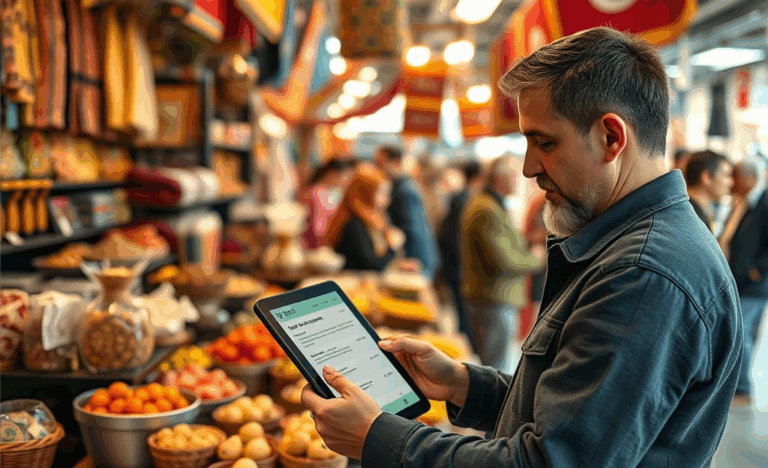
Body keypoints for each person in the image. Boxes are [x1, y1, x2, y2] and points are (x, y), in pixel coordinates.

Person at [300, 27, 742, 468]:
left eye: (544, 143)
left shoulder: (642, 274)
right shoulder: (634, 248)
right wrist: (463, 385)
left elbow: (549, 462)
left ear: (611, 137)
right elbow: (570, 414)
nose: (530, 167)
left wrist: (379, 437)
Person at [460, 155, 545, 369]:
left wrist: (528, 240)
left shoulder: (491, 205)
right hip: (494, 300)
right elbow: (506, 261)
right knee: (496, 369)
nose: (522, 179)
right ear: (500, 178)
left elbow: (504, 246)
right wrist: (537, 259)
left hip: (494, 300)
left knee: (496, 364)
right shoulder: (486, 209)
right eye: (516, 175)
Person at [722, 161, 768, 405]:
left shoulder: (764, 202)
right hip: (740, 280)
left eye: (735, 177)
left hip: (754, 285)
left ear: (748, 179)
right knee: (744, 332)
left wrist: (756, 270)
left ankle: (743, 388)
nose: (731, 183)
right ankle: (739, 386)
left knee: (741, 332)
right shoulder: (742, 203)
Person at [324, 163, 411, 272]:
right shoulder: (354, 224)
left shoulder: (371, 220)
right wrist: (392, 247)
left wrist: (399, 264)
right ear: (365, 194)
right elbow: (372, 266)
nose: (387, 199)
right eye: (381, 193)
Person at [436, 159, 483, 350]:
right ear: (478, 178)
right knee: (464, 316)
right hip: (460, 267)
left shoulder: (463, 198)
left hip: (456, 266)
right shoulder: (465, 201)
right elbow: (455, 238)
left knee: (463, 314)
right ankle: (466, 352)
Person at [374, 145, 439, 281]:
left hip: (416, 261)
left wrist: (408, 260)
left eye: (380, 163)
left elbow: (411, 230)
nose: (377, 168)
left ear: (395, 162)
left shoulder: (403, 190)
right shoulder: (404, 186)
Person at [299, 158, 353, 249]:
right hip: (315, 246)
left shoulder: (325, 192)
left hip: (317, 243)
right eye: (344, 178)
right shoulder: (317, 194)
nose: (345, 182)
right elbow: (318, 229)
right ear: (332, 174)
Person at [684, 150, 733, 233]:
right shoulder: (691, 217)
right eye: (726, 175)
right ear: (706, 177)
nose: (731, 183)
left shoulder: (698, 212)